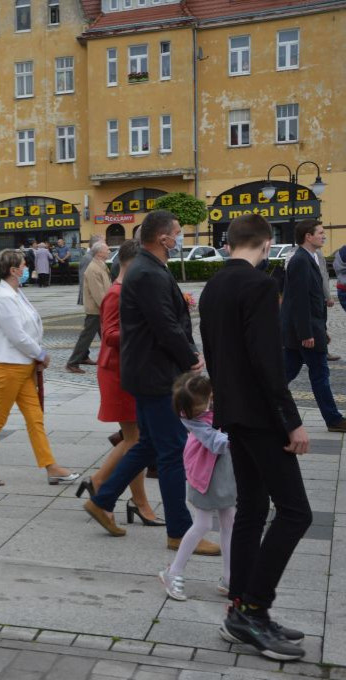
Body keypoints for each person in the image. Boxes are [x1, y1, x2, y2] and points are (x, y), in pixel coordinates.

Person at [199, 212, 310, 661]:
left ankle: (241, 611)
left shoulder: (213, 287)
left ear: (229, 244)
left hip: (232, 415)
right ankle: (254, 607)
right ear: (266, 245)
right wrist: (291, 420)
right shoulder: (260, 286)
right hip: (262, 418)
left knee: (251, 510)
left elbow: (217, 356)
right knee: (295, 513)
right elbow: (267, 362)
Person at [83, 210, 218, 555]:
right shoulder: (147, 272)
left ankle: (103, 500)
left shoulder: (146, 268)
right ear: (163, 238)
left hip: (146, 373)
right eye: (178, 232)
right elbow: (165, 325)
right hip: (156, 376)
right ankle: (179, 532)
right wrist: (190, 357)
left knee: (147, 445)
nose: (180, 238)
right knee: (172, 452)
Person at [0, 250, 79, 486]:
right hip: (7, 366)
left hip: (21, 365)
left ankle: (51, 467)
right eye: (23, 264)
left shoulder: (15, 293)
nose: (26, 268)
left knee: (35, 418)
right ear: (13, 270)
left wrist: (36, 357)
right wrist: (40, 354)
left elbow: (28, 328)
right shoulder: (4, 297)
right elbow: (17, 335)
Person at [77, 240, 159, 526]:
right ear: (133, 263)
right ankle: (127, 497)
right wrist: (146, 327)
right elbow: (109, 334)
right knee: (135, 440)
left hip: (128, 370)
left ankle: (104, 485)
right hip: (117, 372)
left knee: (134, 439)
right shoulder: (116, 294)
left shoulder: (128, 291)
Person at [159, 373, 235, 602]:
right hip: (204, 473)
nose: (197, 412)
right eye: (193, 409)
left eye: (200, 406)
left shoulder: (215, 401)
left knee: (229, 522)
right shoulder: (190, 417)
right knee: (202, 524)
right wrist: (241, 437)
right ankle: (173, 573)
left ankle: (229, 578)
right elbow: (215, 441)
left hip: (224, 473)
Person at [281, 219, 346, 432]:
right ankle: (334, 419)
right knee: (320, 374)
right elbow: (299, 300)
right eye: (319, 232)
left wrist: (322, 329)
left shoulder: (310, 257)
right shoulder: (300, 260)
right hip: (305, 332)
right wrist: (307, 333)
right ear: (308, 236)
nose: (324, 235)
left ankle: (254, 404)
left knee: (282, 375)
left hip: (306, 330)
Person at [66, 242, 110, 373]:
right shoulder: (93, 269)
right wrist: (108, 308)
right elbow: (98, 293)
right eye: (106, 250)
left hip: (100, 309)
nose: (108, 251)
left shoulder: (100, 265)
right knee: (87, 336)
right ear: (99, 253)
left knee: (103, 335)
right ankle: (72, 363)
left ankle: (84, 357)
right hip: (96, 310)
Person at [77, 234, 104, 306]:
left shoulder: (97, 257)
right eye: (103, 243)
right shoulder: (87, 258)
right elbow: (83, 279)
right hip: (91, 300)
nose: (105, 245)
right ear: (96, 245)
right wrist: (84, 299)